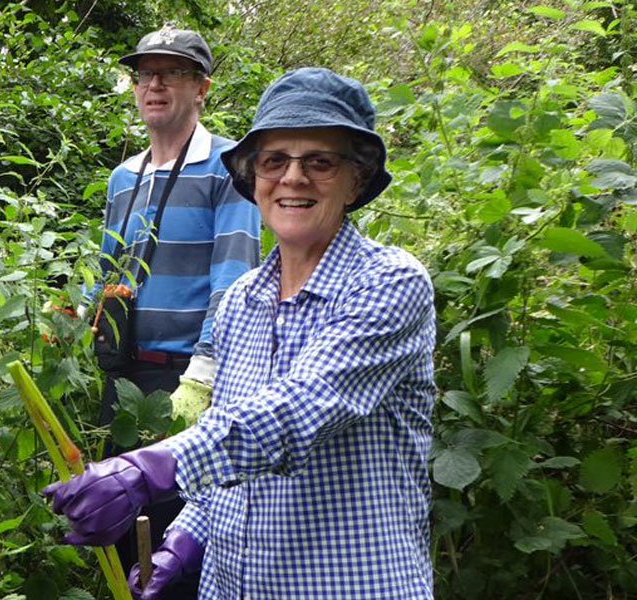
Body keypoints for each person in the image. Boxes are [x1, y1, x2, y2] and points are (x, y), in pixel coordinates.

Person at [47, 67, 437, 599]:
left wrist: (147, 469)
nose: (293, 178)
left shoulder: (388, 282)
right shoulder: (240, 303)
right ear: (253, 178)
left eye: (319, 161)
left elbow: (296, 412)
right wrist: (180, 545)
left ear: (357, 179)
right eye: (275, 161)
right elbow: (227, 459)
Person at [89, 25, 261, 595]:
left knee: (175, 543)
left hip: (184, 379)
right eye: (145, 73)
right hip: (122, 375)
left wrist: (204, 378)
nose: (154, 84)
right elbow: (110, 274)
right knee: (117, 525)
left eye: (172, 72)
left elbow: (233, 281)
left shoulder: (229, 170)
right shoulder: (124, 177)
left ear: (202, 87)